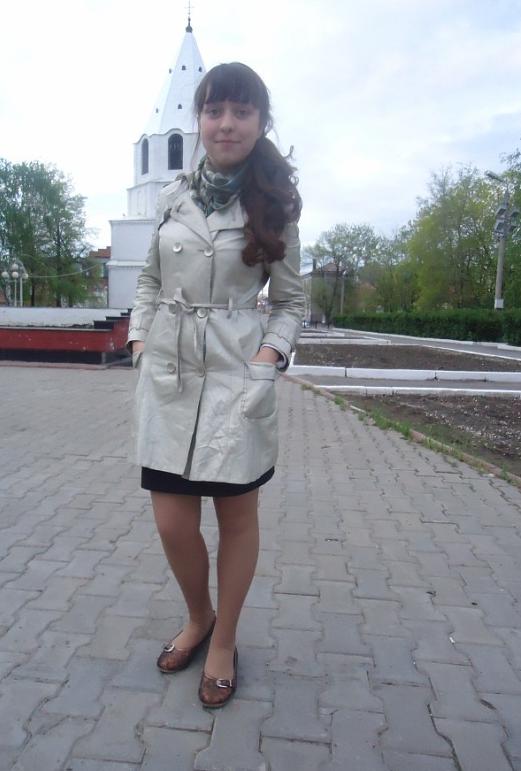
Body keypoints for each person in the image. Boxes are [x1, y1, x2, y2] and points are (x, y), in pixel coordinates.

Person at [127, 62, 304, 708]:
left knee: (235, 516)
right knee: (172, 520)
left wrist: (267, 358)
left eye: (241, 111)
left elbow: (290, 302)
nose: (225, 123)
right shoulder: (172, 197)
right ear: (198, 120)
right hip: (169, 375)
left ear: (260, 122)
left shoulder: (273, 205)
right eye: (213, 110)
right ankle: (197, 614)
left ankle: (223, 639)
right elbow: (149, 280)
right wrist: (140, 343)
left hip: (235, 376)